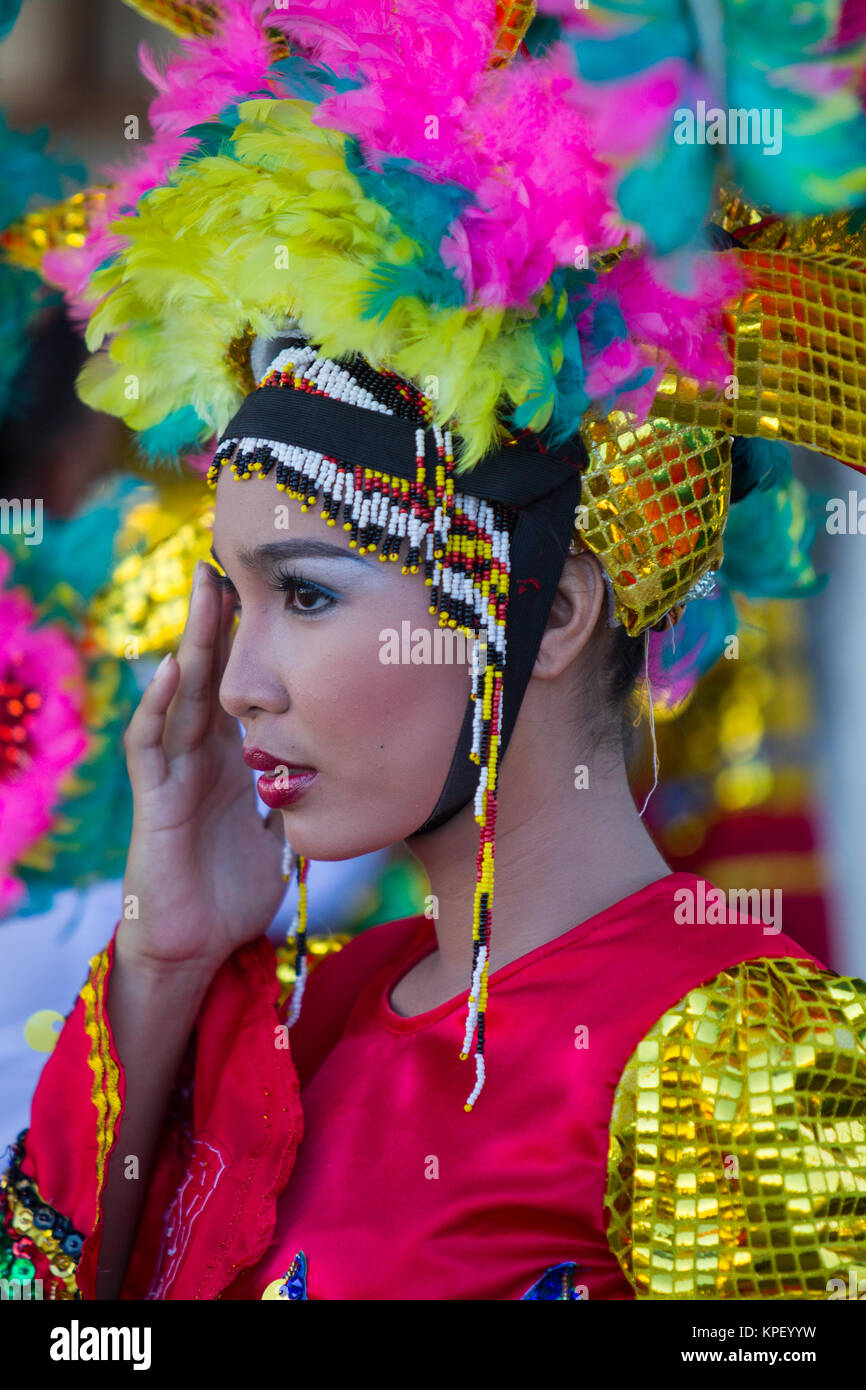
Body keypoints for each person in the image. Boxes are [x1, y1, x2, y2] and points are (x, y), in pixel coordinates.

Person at [3, 0, 866, 1302]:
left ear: (559, 607)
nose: (234, 682)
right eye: (233, 599)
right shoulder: (275, 1010)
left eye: (304, 595)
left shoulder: (733, 1055)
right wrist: (165, 960)